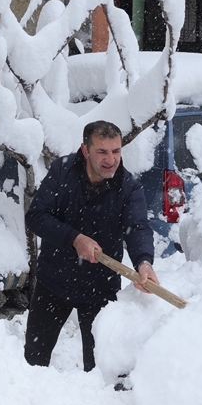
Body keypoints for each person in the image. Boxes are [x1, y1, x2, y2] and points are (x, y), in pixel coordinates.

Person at [24, 120, 158, 371]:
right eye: (102, 151)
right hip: (55, 280)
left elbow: (138, 227)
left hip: (100, 287)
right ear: (85, 151)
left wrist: (144, 262)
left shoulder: (128, 187)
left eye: (116, 151)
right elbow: (36, 216)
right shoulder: (62, 172)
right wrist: (75, 239)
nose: (111, 159)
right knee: (33, 361)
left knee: (100, 369)